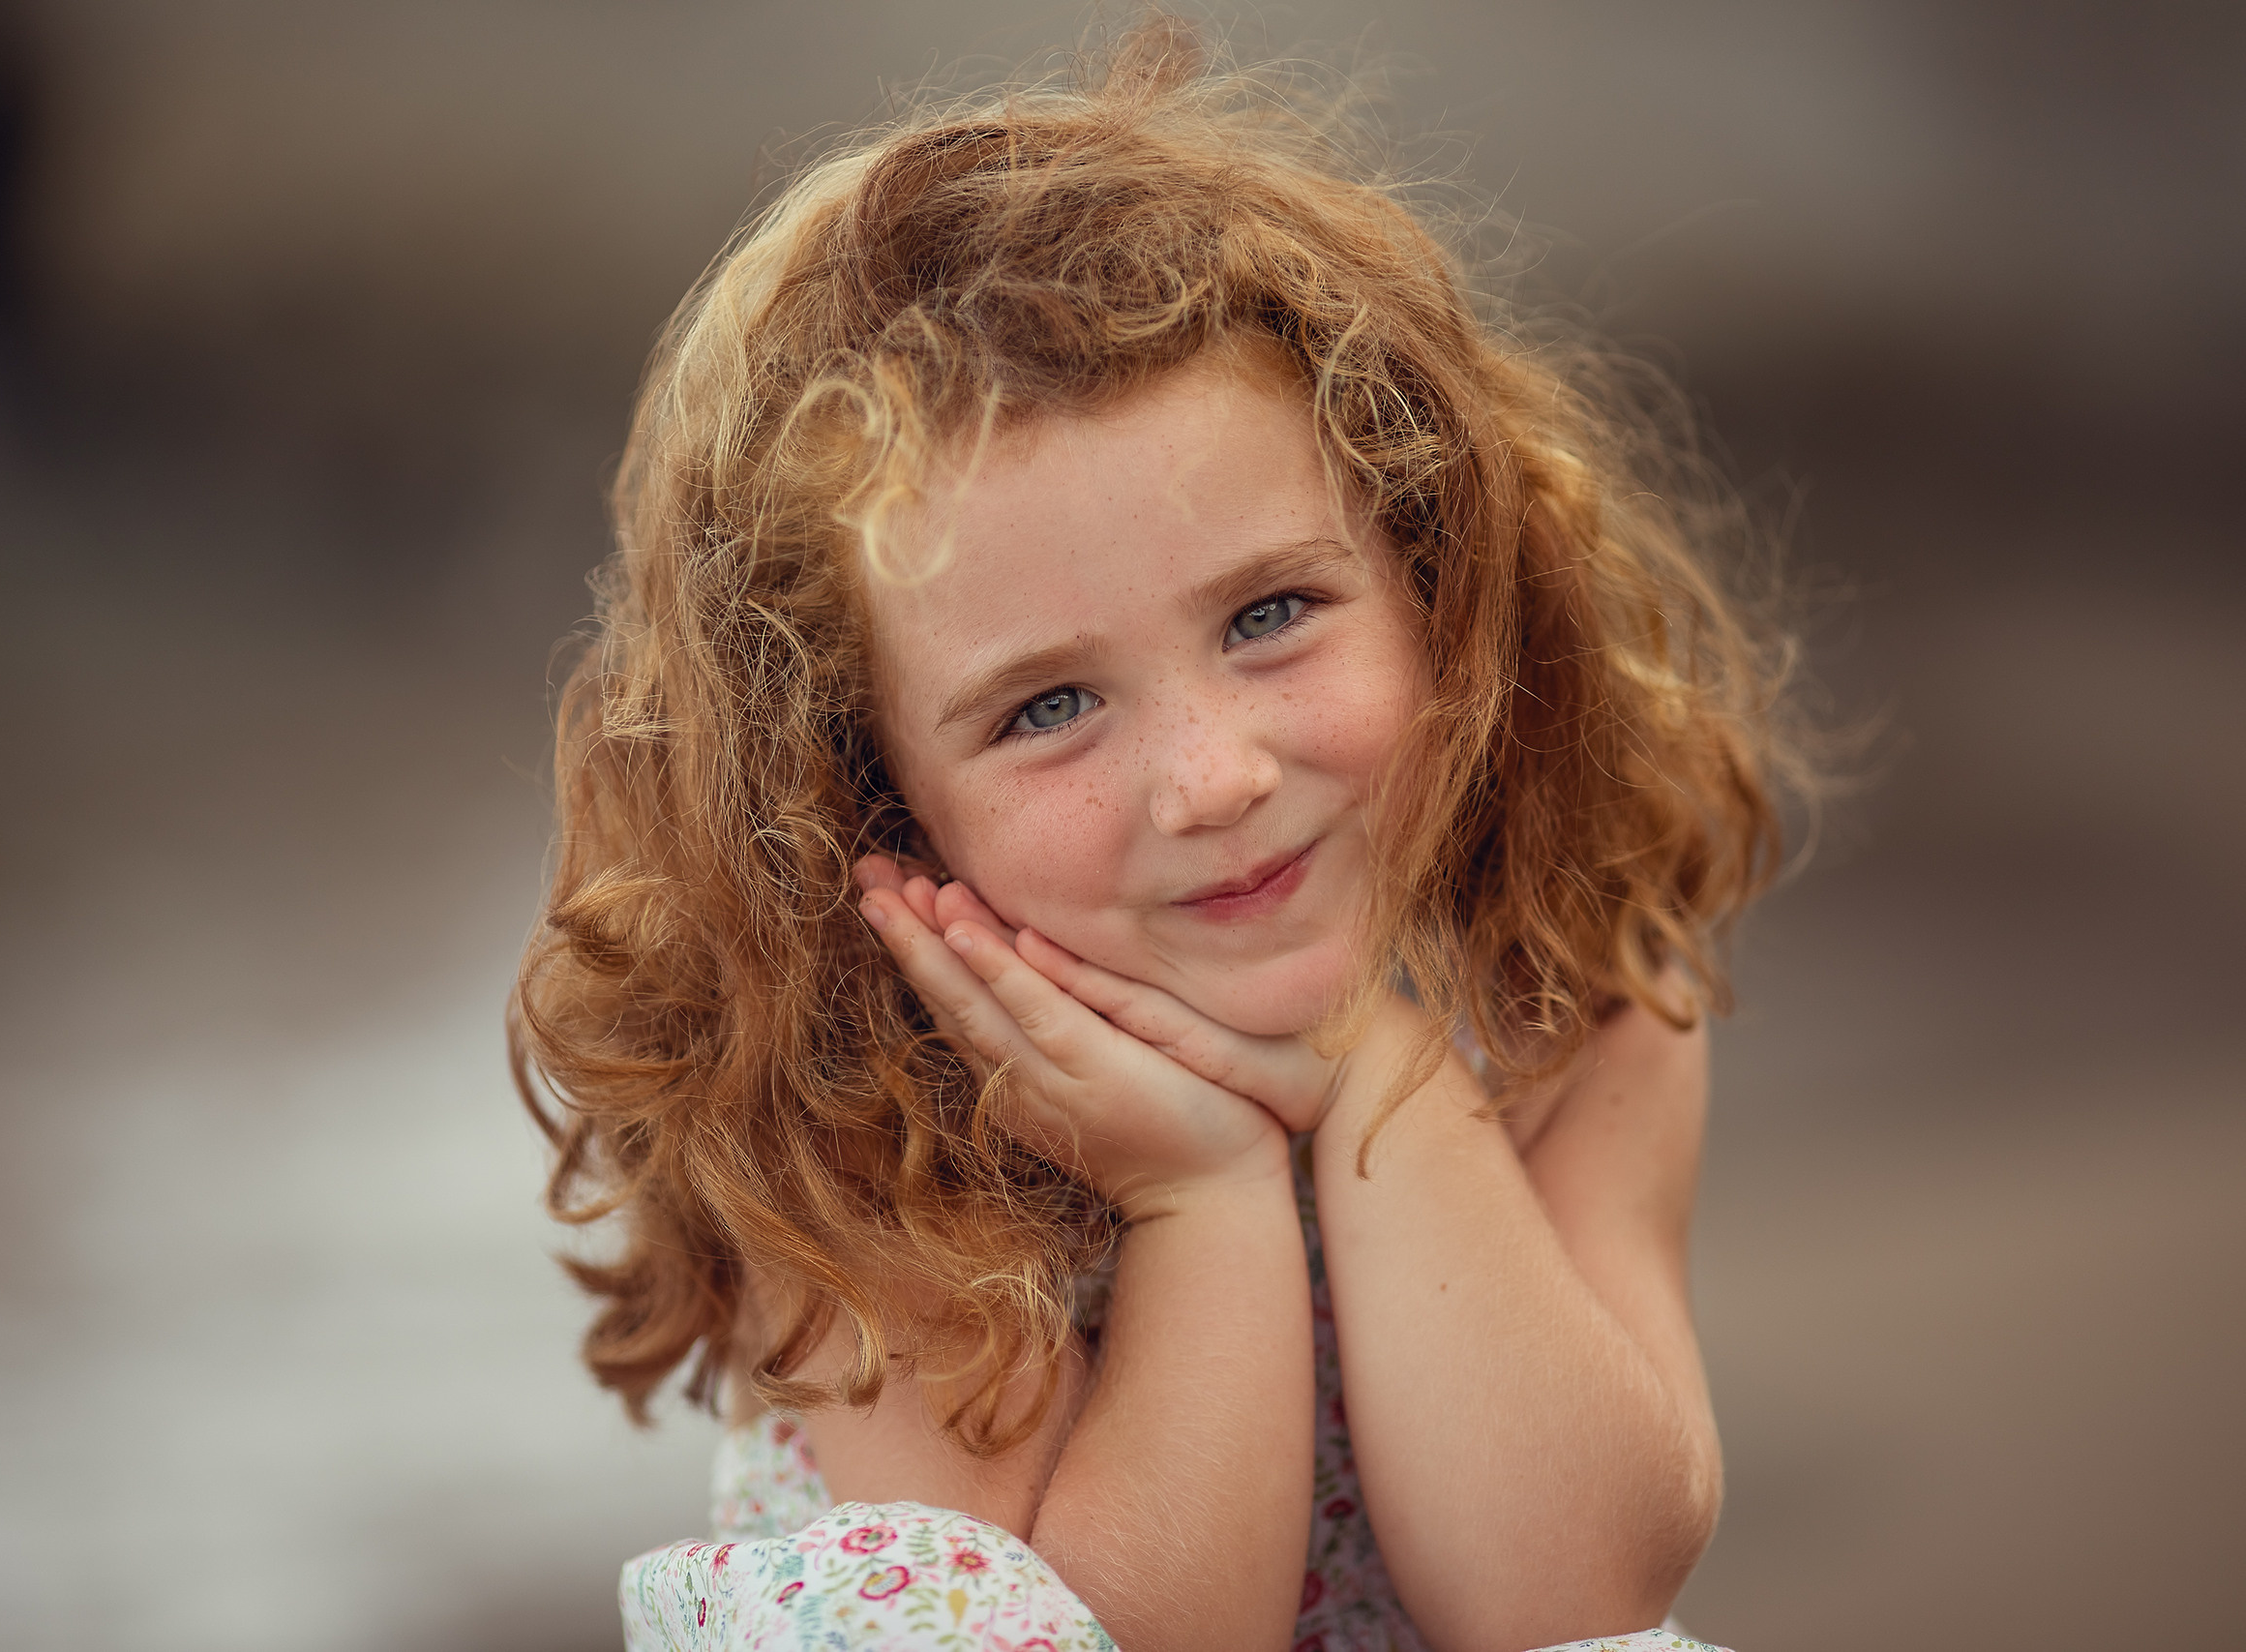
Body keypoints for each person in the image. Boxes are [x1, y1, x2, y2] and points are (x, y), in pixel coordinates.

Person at [512, 19, 1804, 1652]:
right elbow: (1094, 1636)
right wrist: (1201, 1192)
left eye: (1270, 612)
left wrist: (1378, 1077)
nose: (1210, 778)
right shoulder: (865, 1104)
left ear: (1437, 580)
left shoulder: (1564, 991)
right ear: (874, 789)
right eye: (1046, 709)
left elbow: (1572, 1601)